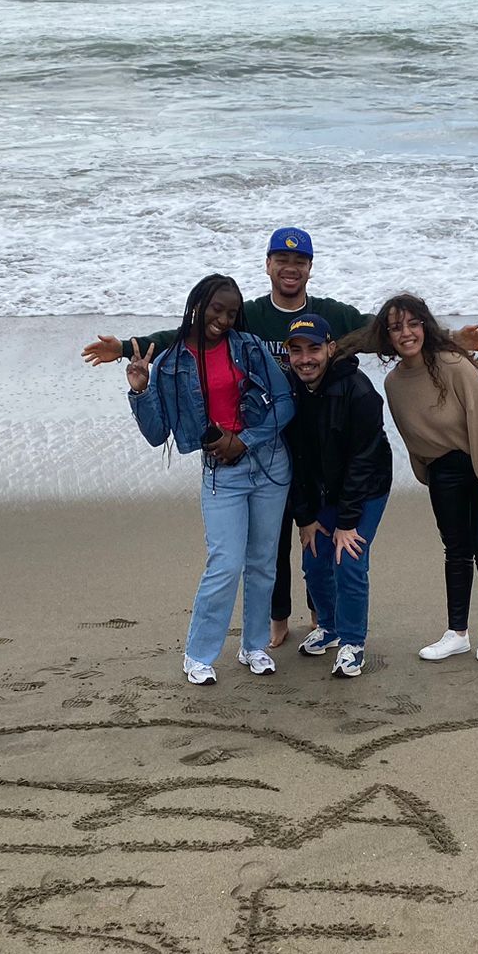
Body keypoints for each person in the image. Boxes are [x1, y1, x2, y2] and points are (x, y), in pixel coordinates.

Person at [84, 228, 478, 648]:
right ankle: (278, 616)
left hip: (321, 439)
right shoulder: (251, 316)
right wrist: (127, 347)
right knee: (273, 538)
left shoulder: (332, 313)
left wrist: (450, 339)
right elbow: (189, 335)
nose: (290, 268)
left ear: (310, 269)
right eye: (281, 260)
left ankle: (322, 617)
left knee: (316, 530)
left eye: (299, 262)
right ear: (268, 266)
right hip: (267, 439)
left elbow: (388, 332)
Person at [126, 274, 295, 685]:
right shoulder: (171, 362)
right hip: (223, 474)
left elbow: (285, 403)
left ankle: (253, 646)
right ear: (198, 305)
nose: (223, 318)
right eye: (216, 308)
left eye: (232, 312)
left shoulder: (249, 348)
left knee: (262, 563)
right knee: (225, 563)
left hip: (270, 464)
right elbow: (155, 434)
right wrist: (141, 389)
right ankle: (198, 655)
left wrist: (246, 440)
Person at [360, 292, 478, 664]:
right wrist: (432, 476)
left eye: (413, 323)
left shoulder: (453, 364)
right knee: (456, 550)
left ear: (425, 327)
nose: (407, 333)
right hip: (445, 469)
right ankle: (457, 633)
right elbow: (414, 438)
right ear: (387, 336)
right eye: (396, 327)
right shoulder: (394, 384)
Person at [281, 311, 392, 679]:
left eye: (313, 348)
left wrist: (346, 523)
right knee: (314, 558)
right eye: (296, 351)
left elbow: (363, 462)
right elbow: (294, 458)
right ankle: (328, 626)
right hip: (321, 488)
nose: (305, 358)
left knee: (349, 558)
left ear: (330, 348)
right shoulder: (290, 388)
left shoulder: (360, 391)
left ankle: (352, 642)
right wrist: (306, 517)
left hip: (366, 486)